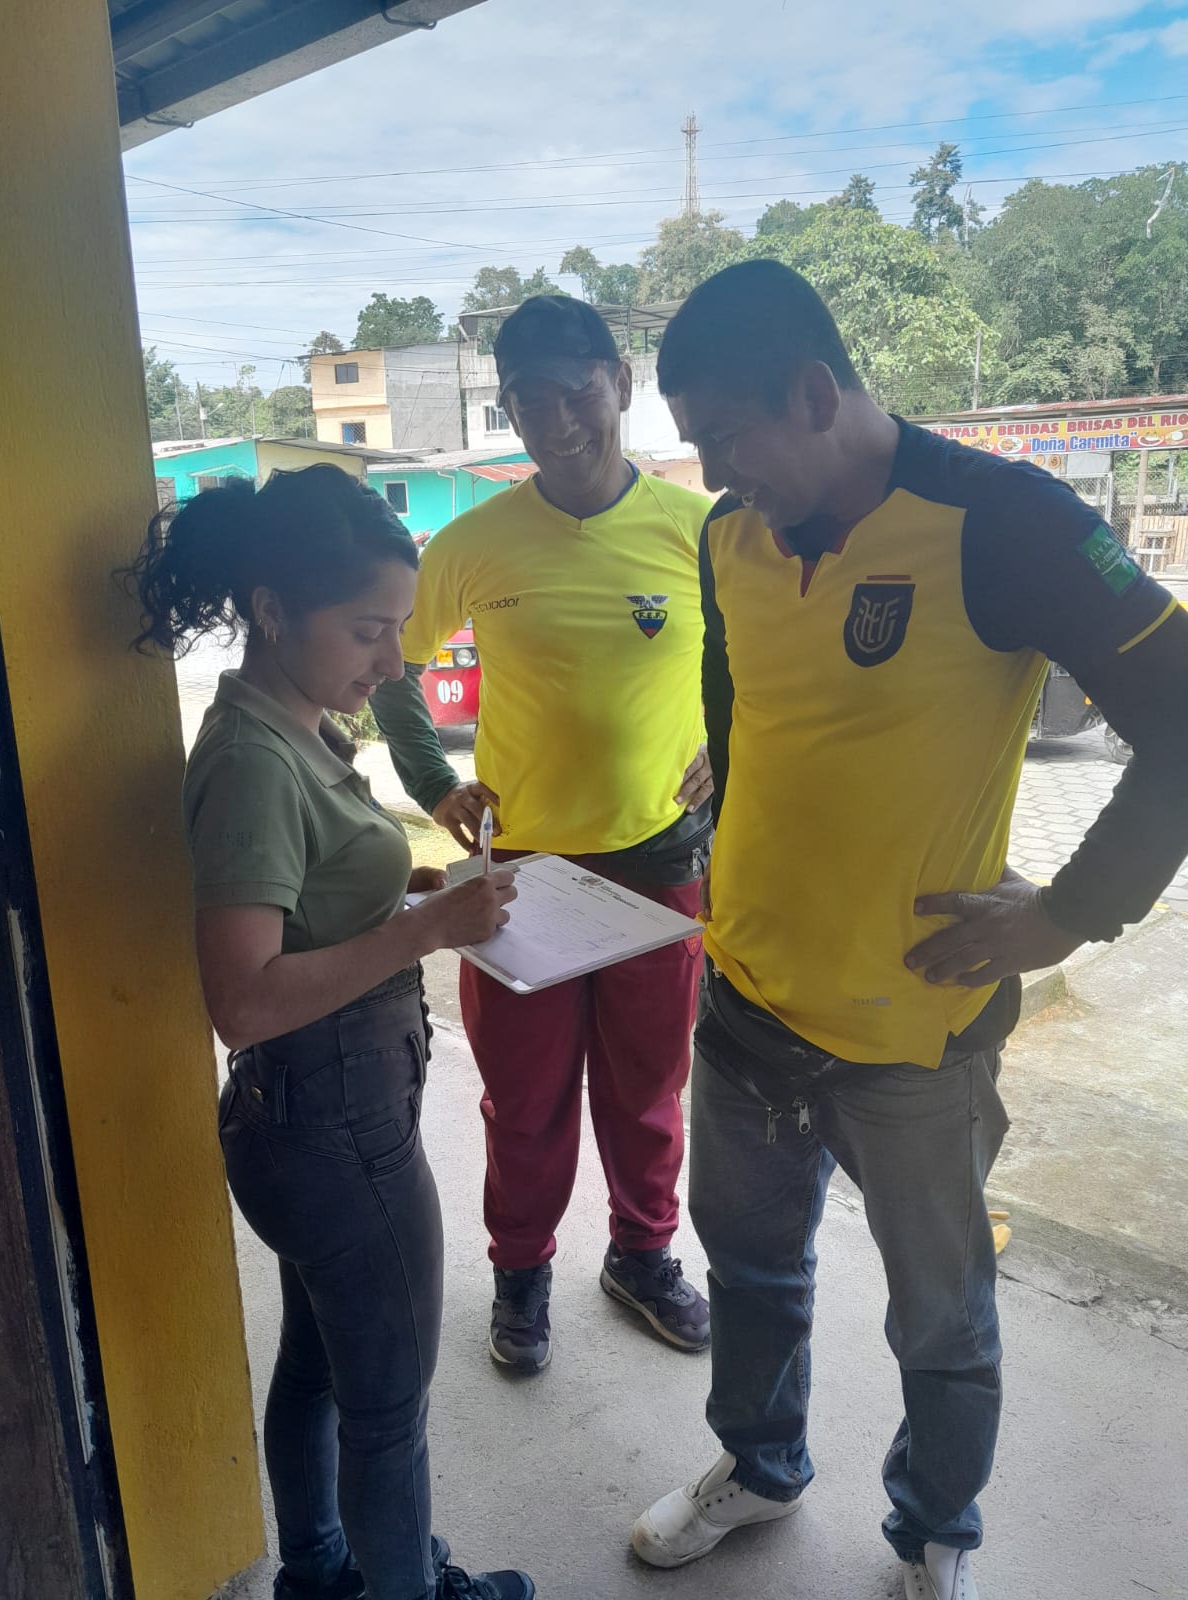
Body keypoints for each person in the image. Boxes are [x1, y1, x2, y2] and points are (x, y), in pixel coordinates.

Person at [629, 260, 1188, 1600]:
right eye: (696, 446)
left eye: (727, 438)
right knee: (750, 1272)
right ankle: (761, 1465)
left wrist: (1069, 914)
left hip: (914, 1034)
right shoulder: (729, 539)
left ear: (815, 392)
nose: (713, 476)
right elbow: (736, 700)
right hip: (745, 1002)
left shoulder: (1004, 521)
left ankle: (934, 1531)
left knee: (940, 1318)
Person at [125, 464, 535, 1600]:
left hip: (306, 1116)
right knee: (388, 1407)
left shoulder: (284, 724)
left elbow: (301, 898)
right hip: (337, 1130)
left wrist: (400, 891)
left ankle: (317, 1572)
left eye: (398, 629)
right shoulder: (254, 762)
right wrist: (425, 930)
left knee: (316, 1364)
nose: (393, 662)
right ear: (272, 610)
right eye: (367, 630)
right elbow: (243, 998)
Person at [371, 296, 713, 1374]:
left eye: (577, 392)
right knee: (524, 1098)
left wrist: (736, 743)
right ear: (506, 407)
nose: (556, 422)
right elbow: (391, 665)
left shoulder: (701, 530)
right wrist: (433, 782)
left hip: (660, 864)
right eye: (527, 402)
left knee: (648, 1088)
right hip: (518, 875)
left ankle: (642, 1255)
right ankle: (520, 1273)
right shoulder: (472, 542)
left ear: (621, 383)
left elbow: (764, 657)